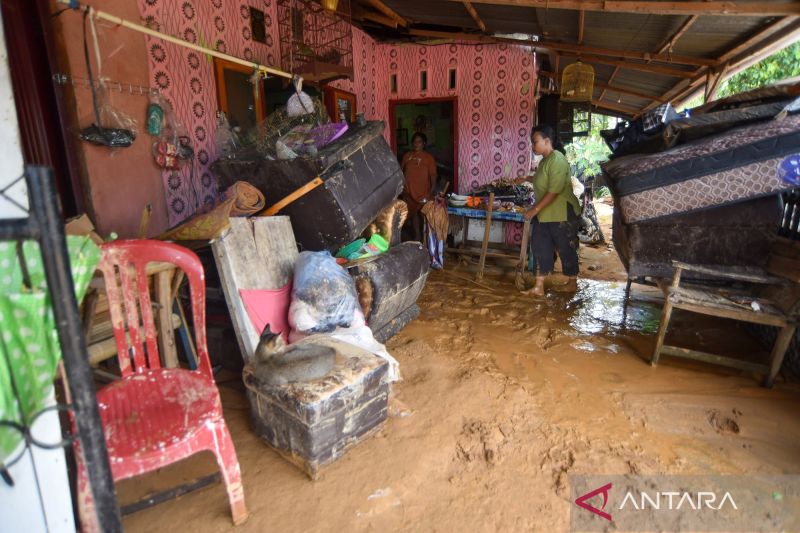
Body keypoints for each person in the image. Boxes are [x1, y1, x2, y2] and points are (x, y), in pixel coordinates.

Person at [520, 124, 581, 297]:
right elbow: (542, 179)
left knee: (565, 248)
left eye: (535, 142)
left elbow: (553, 191)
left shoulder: (558, 159)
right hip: (545, 212)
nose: (533, 146)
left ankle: (571, 282)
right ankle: (539, 287)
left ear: (547, 141)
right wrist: (526, 178)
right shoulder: (545, 161)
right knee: (540, 247)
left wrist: (533, 210)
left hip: (561, 212)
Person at [401, 132, 437, 242]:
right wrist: (402, 189)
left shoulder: (428, 158)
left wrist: (431, 190)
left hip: (423, 192)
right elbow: (401, 172)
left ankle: (426, 237)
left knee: (424, 214)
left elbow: (433, 175)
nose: (417, 144)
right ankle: (417, 235)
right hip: (409, 192)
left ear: (424, 143)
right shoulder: (407, 156)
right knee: (414, 214)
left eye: (419, 142)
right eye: (415, 142)